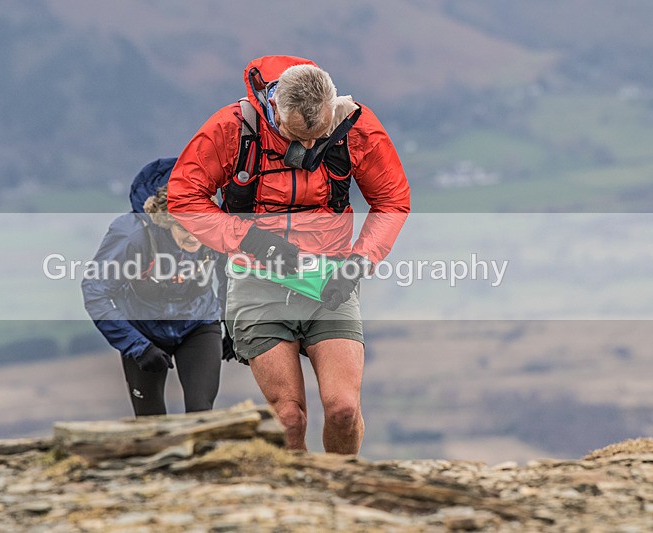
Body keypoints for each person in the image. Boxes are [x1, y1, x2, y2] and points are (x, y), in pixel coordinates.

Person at [167, 56, 411, 453]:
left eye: (319, 136)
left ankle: (341, 484)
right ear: (275, 110)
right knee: (289, 417)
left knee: (343, 410)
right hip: (257, 280)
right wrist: (249, 239)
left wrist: (359, 263)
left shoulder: (353, 127)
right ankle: (297, 489)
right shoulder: (233, 129)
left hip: (330, 281)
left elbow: (392, 200)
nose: (309, 147)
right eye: (298, 137)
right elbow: (184, 197)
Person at [82, 158, 233, 417]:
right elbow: (95, 290)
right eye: (184, 229)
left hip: (198, 323)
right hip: (143, 329)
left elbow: (231, 274)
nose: (194, 237)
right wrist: (137, 346)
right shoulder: (132, 235)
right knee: (151, 422)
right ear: (166, 220)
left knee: (201, 414)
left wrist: (233, 325)